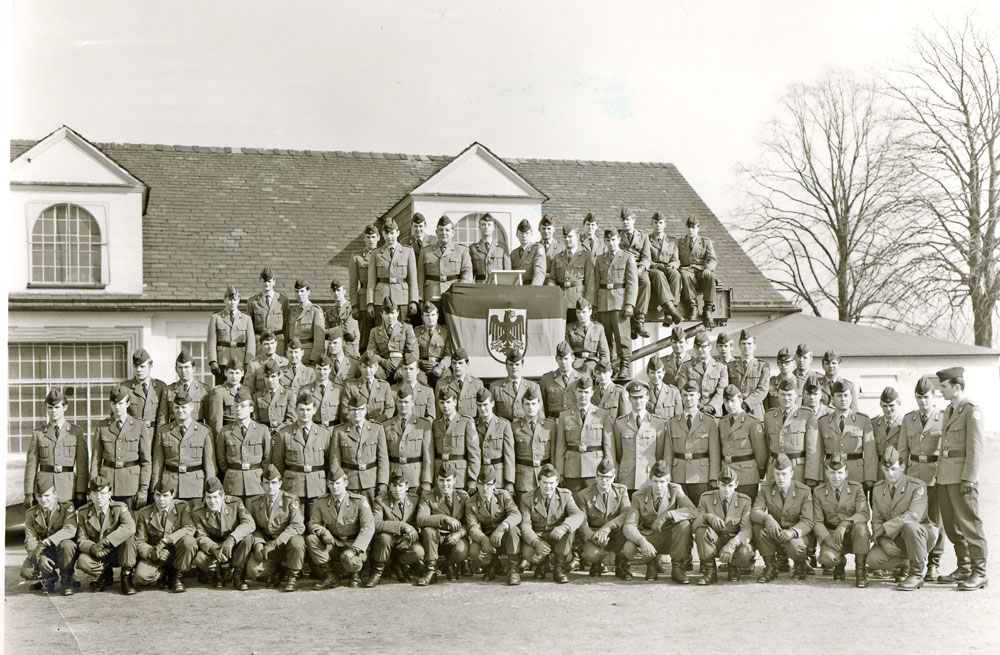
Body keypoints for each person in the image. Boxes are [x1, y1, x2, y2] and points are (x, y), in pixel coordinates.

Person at [934, 366, 988, 591]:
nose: (940, 390)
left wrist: (969, 479)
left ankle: (980, 572)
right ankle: (964, 567)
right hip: (945, 477)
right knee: (952, 526)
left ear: (957, 386)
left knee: (970, 524)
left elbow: (976, 448)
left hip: (962, 479)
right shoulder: (949, 410)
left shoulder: (971, 410)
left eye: (944, 386)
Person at [867, 446, 937, 591]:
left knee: (910, 526)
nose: (890, 474)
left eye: (894, 469)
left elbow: (912, 517)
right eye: (886, 470)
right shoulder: (878, 488)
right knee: (873, 559)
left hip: (920, 537)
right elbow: (876, 519)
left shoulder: (917, 486)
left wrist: (883, 531)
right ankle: (905, 563)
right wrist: (882, 541)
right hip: (894, 538)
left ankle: (916, 574)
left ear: (902, 467)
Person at [897, 378, 945, 580]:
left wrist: (941, 474)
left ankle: (934, 563)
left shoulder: (943, 417)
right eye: (919, 397)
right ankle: (911, 561)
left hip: (934, 474)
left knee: (935, 519)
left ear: (933, 397)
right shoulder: (909, 419)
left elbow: (944, 450)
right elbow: (902, 450)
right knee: (912, 517)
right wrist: (902, 478)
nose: (922, 401)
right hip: (913, 475)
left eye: (926, 397)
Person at [621, 460, 696, 584]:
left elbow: (693, 510)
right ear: (650, 480)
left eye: (662, 482)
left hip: (669, 536)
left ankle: (678, 568)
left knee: (684, 524)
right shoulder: (639, 496)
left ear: (668, 481)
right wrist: (642, 541)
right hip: (650, 537)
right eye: (655, 481)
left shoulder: (675, 490)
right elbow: (629, 526)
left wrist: (668, 515)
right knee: (629, 548)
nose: (658, 486)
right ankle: (651, 562)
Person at [306, 467, 374, 589]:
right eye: (331, 483)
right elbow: (313, 524)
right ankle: (330, 575)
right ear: (327, 484)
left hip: (354, 543)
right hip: (334, 542)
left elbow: (368, 528)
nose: (335, 487)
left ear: (346, 483)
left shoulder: (359, 501)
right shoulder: (320, 502)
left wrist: (354, 550)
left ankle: (355, 575)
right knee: (311, 539)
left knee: (352, 562)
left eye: (338, 483)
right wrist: (323, 531)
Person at [752, 454, 814, 582]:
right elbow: (755, 511)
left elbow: (808, 521)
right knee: (758, 528)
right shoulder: (766, 488)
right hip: (776, 531)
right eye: (777, 474)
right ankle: (770, 566)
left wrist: (792, 532)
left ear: (791, 473)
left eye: (784, 474)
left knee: (795, 545)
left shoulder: (803, 491)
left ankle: (800, 565)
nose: (780, 478)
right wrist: (767, 518)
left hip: (795, 535)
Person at [812, 454, 871, 587]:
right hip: (832, 535)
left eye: (840, 472)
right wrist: (827, 539)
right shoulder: (819, 492)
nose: (836, 476)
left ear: (846, 473)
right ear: (826, 473)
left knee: (861, 529)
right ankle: (839, 563)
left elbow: (863, 514)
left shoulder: (856, 488)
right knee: (826, 559)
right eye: (832, 473)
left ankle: (860, 570)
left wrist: (845, 523)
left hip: (852, 534)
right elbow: (817, 521)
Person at [519, 464, 585, 584]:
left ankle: (558, 569)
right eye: (544, 482)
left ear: (557, 483)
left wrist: (563, 527)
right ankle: (542, 564)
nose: (548, 486)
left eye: (551, 483)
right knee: (529, 554)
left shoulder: (565, 495)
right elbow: (525, 526)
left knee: (570, 528)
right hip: (539, 536)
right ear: (539, 482)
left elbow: (578, 515)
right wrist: (536, 542)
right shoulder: (527, 498)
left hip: (557, 536)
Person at [244, 465, 306, 592]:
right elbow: (254, 528)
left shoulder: (290, 500)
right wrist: (259, 544)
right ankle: (278, 570)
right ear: (261, 485)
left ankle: (293, 576)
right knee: (252, 570)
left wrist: (276, 543)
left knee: (298, 542)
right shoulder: (255, 503)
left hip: (286, 544)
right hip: (267, 545)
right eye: (267, 483)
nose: (270, 486)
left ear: (280, 484)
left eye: (273, 483)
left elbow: (297, 525)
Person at [91, 385, 152, 512]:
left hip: (131, 485)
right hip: (107, 484)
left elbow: (146, 461)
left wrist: (143, 489)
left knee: (131, 521)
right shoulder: (102, 427)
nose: (117, 407)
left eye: (120, 403)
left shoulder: (139, 425)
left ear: (128, 404)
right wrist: (94, 485)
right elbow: (95, 460)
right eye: (114, 404)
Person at [25, 388, 88, 509]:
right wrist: (28, 493)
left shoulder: (76, 432)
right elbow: (31, 465)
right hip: (44, 488)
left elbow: (82, 465)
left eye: (57, 407)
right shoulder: (38, 433)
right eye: (50, 407)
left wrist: (81, 491)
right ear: (46, 408)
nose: (53, 411)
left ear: (65, 407)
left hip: (68, 487)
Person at [272, 391, 335, 512]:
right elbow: (278, 463)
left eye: (308, 409)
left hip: (317, 486)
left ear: (314, 410)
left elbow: (329, 462)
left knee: (316, 521)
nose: (305, 413)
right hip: (293, 487)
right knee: (295, 521)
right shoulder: (284, 434)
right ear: (296, 410)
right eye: (301, 409)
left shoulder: (324, 433)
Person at [74, 475, 138, 594]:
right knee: (83, 561)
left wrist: (107, 541)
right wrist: (92, 548)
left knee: (130, 538)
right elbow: (81, 538)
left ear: (110, 493)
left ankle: (126, 577)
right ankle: (104, 575)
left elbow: (130, 527)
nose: (99, 497)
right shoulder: (83, 512)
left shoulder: (119, 507)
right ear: (90, 495)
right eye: (95, 494)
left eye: (103, 493)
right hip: (98, 553)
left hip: (117, 552)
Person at [191, 476, 256, 590]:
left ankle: (238, 574)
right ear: (204, 497)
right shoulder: (198, 512)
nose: (212, 501)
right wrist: (214, 548)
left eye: (215, 497)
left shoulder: (235, 503)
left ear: (223, 496)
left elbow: (249, 523)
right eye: (208, 497)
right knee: (199, 558)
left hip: (233, 547)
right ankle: (216, 573)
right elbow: (201, 536)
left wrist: (232, 538)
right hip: (214, 549)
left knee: (248, 538)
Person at [692, 465, 754, 584]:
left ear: (736, 485)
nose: (727, 490)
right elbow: (694, 526)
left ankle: (734, 568)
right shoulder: (706, 498)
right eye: (723, 485)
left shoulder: (744, 501)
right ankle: (710, 571)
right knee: (701, 531)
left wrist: (731, 545)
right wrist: (706, 517)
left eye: (730, 486)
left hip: (734, 542)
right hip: (716, 541)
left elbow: (746, 530)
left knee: (745, 551)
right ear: (718, 484)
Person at [150, 390, 216, 501]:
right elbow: (158, 464)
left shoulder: (204, 431)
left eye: (183, 407)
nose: (180, 410)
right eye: (177, 407)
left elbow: (210, 465)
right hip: (170, 487)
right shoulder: (164, 431)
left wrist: (210, 490)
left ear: (191, 407)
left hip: (195, 487)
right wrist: (154, 488)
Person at [133, 480, 197, 593]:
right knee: (141, 577)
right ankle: (163, 575)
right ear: (154, 495)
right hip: (158, 554)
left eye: (165, 495)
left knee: (189, 542)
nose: (161, 499)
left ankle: (178, 577)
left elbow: (189, 528)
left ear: (172, 495)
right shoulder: (144, 513)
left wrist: (166, 540)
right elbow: (140, 541)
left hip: (176, 552)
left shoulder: (182, 507)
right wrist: (152, 552)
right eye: (158, 495)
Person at [553, 375, 613, 492]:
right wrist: (560, 471)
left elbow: (608, 447)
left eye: (586, 392)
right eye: (580, 391)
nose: (583, 395)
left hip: (595, 468)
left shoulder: (602, 414)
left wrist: (609, 468)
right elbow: (560, 447)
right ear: (575, 392)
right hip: (572, 469)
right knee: (574, 500)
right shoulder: (565, 415)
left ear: (592, 392)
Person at [591, 228, 637, 378]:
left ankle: (624, 366)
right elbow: (596, 283)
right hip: (603, 302)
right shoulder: (599, 259)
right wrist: (595, 305)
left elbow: (632, 283)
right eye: (608, 240)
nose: (611, 243)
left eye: (613, 240)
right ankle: (608, 366)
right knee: (605, 337)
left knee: (622, 336)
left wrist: (629, 304)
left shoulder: (627, 258)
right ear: (604, 242)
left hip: (619, 302)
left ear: (619, 240)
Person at [415, 463, 472, 585]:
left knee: (462, 550)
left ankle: (448, 564)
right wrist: (444, 518)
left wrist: (459, 534)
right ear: (436, 480)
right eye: (441, 480)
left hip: (454, 538)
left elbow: (468, 522)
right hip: (435, 539)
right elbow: (420, 519)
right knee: (428, 531)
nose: (445, 484)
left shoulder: (463, 496)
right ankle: (430, 570)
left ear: (454, 480)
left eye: (448, 480)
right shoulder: (427, 496)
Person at [575, 457, 631, 578]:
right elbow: (582, 522)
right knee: (591, 554)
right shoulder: (584, 495)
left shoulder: (621, 491)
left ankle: (621, 565)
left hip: (615, 532)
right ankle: (596, 564)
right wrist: (593, 537)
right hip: (594, 533)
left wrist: (607, 527)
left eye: (607, 477)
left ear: (613, 477)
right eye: (601, 477)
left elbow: (626, 513)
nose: (604, 481)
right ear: (596, 477)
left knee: (627, 531)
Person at [21, 479, 78, 596]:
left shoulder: (66, 507)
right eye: (39, 496)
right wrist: (40, 558)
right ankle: (49, 577)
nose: (43, 499)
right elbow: (30, 540)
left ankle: (67, 581)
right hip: (44, 552)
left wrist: (46, 542)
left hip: (62, 551)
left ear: (55, 494)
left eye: (47, 495)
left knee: (67, 545)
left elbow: (70, 529)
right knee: (26, 572)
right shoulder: (31, 513)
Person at [465, 468, 522, 585]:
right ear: (477, 485)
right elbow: (472, 527)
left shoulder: (503, 495)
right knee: (475, 551)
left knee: (514, 530)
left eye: (489, 485)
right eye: (481, 484)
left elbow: (516, 514)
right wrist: (483, 539)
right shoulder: (471, 503)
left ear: (494, 485)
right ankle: (493, 564)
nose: (485, 488)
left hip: (504, 536)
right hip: (487, 537)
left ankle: (513, 569)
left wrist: (502, 528)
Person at [666, 381, 720, 503]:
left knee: (701, 510)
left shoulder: (709, 421)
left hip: (701, 475)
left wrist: (713, 477)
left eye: (691, 395)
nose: (688, 399)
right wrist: (667, 477)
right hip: (679, 475)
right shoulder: (672, 422)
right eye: (685, 395)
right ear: (681, 396)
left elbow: (714, 453)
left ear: (698, 396)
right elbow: (668, 454)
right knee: (680, 511)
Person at [332, 391, 390, 505]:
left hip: (371, 482)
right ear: (348, 411)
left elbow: (383, 459)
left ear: (365, 410)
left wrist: (382, 483)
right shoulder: (339, 431)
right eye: (353, 410)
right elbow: (335, 461)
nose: (356, 413)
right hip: (350, 483)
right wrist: (340, 484)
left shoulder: (376, 428)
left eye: (360, 409)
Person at [368, 472, 425, 586]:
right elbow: (376, 523)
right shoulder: (380, 500)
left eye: (400, 486)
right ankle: (377, 572)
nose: (397, 490)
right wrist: (402, 526)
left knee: (418, 551)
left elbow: (419, 522)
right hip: (388, 539)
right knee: (384, 538)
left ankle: (399, 564)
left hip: (406, 540)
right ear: (389, 487)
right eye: (394, 486)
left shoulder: (414, 500)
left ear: (407, 487)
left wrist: (410, 535)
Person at [817, 380, 876, 490]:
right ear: (832, 398)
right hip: (831, 473)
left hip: (856, 475)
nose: (843, 399)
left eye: (846, 395)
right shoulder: (823, 422)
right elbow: (818, 454)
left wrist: (870, 477)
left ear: (851, 397)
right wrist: (819, 477)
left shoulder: (863, 420)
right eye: (839, 396)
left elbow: (870, 453)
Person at [215, 387, 271, 501]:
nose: (238, 409)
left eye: (243, 406)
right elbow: (221, 460)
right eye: (236, 406)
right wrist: (232, 472)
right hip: (233, 483)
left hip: (256, 483)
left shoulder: (262, 430)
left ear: (251, 408)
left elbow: (267, 458)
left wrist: (259, 474)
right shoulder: (225, 432)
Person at [762, 379, 821, 485]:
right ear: (777, 394)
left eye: (789, 395)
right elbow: (767, 445)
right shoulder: (769, 416)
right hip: (775, 469)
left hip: (797, 471)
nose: (786, 398)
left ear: (796, 395)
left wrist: (811, 476)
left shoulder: (806, 415)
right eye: (783, 394)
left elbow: (812, 449)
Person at [615, 381, 668, 495]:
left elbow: (659, 453)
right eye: (634, 398)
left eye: (641, 397)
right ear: (629, 399)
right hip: (627, 477)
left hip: (648, 477)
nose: (638, 401)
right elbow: (619, 453)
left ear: (647, 398)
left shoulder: (657, 422)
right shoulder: (620, 423)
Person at [718, 385, 767, 503]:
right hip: (727, 476)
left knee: (746, 509)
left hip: (746, 476)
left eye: (732, 401)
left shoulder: (752, 422)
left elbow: (761, 454)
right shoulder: (722, 422)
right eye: (726, 401)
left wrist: (758, 473)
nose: (729, 405)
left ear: (740, 400)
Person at [383, 384, 433, 494]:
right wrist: (383, 482)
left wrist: (426, 481)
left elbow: (428, 457)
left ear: (412, 403)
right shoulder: (386, 426)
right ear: (396, 403)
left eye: (406, 402)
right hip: (393, 478)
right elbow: (383, 458)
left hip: (415, 479)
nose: (403, 405)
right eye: (400, 402)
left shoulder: (423, 425)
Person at [367, 217, 419, 320]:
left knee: (402, 327)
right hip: (381, 298)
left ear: (398, 233)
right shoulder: (376, 253)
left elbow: (413, 280)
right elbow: (371, 281)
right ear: (382, 234)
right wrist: (370, 303)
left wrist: (413, 301)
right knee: (382, 328)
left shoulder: (408, 251)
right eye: (386, 233)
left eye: (392, 233)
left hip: (402, 299)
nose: (389, 237)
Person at [618, 208, 658, 339]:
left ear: (633, 220)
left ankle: (639, 320)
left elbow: (646, 258)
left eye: (628, 219)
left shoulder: (643, 236)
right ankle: (627, 320)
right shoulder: (617, 235)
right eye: (623, 220)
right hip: (622, 268)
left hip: (638, 268)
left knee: (645, 282)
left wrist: (640, 270)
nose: (625, 222)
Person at [431, 388, 481, 492]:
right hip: (440, 474)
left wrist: (472, 478)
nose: (445, 406)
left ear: (455, 402)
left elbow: (474, 453)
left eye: (448, 402)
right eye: (442, 403)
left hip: (459, 476)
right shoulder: (435, 424)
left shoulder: (466, 422)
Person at [511, 386, 556, 503]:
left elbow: (555, 454)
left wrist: (555, 475)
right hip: (523, 478)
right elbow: (511, 457)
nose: (530, 407)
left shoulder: (550, 426)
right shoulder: (514, 427)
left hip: (545, 476)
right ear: (522, 405)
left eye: (533, 404)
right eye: (527, 404)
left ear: (539, 405)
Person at [417, 215, 473, 304]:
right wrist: (420, 299)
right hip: (431, 295)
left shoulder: (462, 250)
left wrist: (459, 292)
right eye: (441, 230)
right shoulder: (425, 251)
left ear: (453, 232)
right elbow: (420, 278)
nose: (444, 233)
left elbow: (467, 274)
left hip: (454, 295)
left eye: (447, 230)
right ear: (436, 232)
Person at [207, 284, 256, 385]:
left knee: (241, 390)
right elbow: (211, 342)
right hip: (222, 362)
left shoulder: (246, 319)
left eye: (234, 300)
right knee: (222, 389)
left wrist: (248, 362)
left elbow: (251, 343)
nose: (232, 302)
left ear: (238, 300)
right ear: (224, 300)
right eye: (229, 300)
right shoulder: (216, 318)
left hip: (240, 362)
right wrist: (213, 361)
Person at [677, 215, 718, 328]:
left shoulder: (705, 242)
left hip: (701, 271)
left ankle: (707, 309)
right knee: (683, 275)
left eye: (693, 227)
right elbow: (676, 259)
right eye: (688, 227)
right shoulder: (680, 243)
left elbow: (712, 259)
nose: (691, 230)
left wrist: (708, 268)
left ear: (698, 228)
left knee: (711, 276)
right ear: (685, 227)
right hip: (688, 271)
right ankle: (693, 306)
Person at [676, 331, 728, 417]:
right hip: (693, 410)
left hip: (714, 412)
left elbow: (721, 391)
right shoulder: (686, 366)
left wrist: (711, 407)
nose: (699, 350)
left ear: (710, 347)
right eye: (696, 347)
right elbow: (683, 389)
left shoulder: (721, 367)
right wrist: (698, 406)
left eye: (703, 347)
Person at [366, 298, 418, 382]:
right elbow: (371, 353)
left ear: (398, 313)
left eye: (393, 313)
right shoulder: (374, 331)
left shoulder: (407, 328)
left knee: (406, 377)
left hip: (401, 365)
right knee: (374, 374)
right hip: (382, 366)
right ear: (382, 314)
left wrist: (402, 368)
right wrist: (382, 361)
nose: (390, 316)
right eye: (386, 313)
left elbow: (413, 352)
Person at [546, 227, 592, 322]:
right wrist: (552, 295)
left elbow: (590, 281)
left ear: (577, 237)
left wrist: (587, 302)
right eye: (565, 237)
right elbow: (552, 279)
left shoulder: (586, 256)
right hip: (561, 300)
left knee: (576, 329)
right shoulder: (558, 257)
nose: (567, 239)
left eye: (570, 236)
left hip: (578, 300)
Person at [475, 388, 516, 493]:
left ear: (492, 404)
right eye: (479, 405)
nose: (482, 408)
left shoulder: (503, 425)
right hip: (479, 474)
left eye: (485, 405)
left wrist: (509, 481)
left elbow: (509, 456)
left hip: (498, 476)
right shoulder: (473, 425)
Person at [647, 211, 684, 326]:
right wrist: (658, 266)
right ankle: (672, 310)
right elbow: (647, 259)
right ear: (652, 224)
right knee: (659, 274)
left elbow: (676, 260)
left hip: (668, 269)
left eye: (660, 223)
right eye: (655, 223)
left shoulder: (672, 241)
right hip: (654, 270)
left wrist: (672, 265)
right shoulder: (646, 240)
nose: (658, 225)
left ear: (665, 225)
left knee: (676, 274)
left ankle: (669, 314)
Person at [158, 351, 211, 427]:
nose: (183, 371)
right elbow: (162, 419)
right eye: (180, 367)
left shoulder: (204, 390)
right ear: (176, 369)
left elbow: (209, 419)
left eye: (186, 367)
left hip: (196, 430)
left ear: (193, 369)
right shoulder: (168, 390)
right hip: (174, 430)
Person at [490, 348, 544, 422]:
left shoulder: (534, 386)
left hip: (525, 427)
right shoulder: (495, 387)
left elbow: (540, 414)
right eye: (511, 364)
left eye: (517, 364)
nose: (514, 367)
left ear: (522, 365)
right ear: (506, 366)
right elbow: (492, 414)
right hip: (504, 427)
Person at [122, 348, 166, 439]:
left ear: (150, 367)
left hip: (154, 437)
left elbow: (163, 418)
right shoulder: (125, 388)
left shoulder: (161, 387)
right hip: (133, 438)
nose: (138, 370)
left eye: (142, 366)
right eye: (135, 366)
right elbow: (117, 418)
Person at [342, 351, 396, 423]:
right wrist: (361, 423)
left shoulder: (384, 386)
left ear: (376, 367)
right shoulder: (351, 386)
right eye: (364, 367)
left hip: (379, 426)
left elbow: (390, 408)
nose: (367, 370)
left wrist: (376, 423)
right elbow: (345, 410)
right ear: (360, 367)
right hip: (357, 426)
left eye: (371, 367)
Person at [350, 224, 380, 351]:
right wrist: (354, 305)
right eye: (368, 237)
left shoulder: (383, 254)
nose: (371, 240)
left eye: (373, 237)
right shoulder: (357, 257)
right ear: (364, 238)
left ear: (378, 237)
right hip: (363, 301)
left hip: (380, 298)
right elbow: (353, 284)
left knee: (380, 335)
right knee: (365, 337)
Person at [206, 359, 253, 438]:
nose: (234, 377)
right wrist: (219, 440)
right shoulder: (219, 392)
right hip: (228, 435)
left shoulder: (247, 390)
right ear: (225, 373)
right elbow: (216, 423)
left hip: (246, 434)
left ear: (242, 373)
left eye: (237, 373)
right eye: (231, 373)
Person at [252, 360, 296, 445]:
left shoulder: (288, 394)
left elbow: (292, 419)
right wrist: (265, 432)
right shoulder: (257, 396)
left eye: (273, 376)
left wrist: (277, 431)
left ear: (279, 375)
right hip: (263, 437)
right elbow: (255, 420)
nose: (270, 380)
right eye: (267, 376)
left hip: (282, 436)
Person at [247, 267, 289, 356]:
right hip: (260, 342)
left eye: (269, 281)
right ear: (260, 281)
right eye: (264, 281)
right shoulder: (252, 302)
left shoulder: (283, 301)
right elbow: (249, 327)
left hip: (278, 342)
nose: (267, 284)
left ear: (274, 282)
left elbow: (287, 325)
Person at [413, 301, 454, 388]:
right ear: (422, 317)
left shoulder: (445, 332)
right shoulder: (416, 332)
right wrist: (419, 363)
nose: (430, 318)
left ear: (437, 315)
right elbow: (412, 353)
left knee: (445, 380)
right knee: (419, 381)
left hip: (439, 365)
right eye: (427, 315)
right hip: (422, 368)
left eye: (433, 315)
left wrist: (441, 366)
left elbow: (448, 355)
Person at [730, 330, 769, 420]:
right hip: (735, 409)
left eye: (749, 343)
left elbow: (763, 389)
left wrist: (747, 403)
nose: (746, 346)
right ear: (739, 346)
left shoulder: (762, 366)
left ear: (755, 346)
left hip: (755, 409)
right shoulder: (731, 366)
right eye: (743, 343)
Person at [435, 347, 484, 419]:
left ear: (467, 364)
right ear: (451, 364)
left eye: (460, 363)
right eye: (454, 363)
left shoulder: (477, 384)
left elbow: (481, 414)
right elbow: (438, 414)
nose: (457, 366)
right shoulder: (442, 384)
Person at [565, 297, 610, 375]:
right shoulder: (569, 329)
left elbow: (604, 352)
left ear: (590, 312)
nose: (581, 315)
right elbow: (567, 351)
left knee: (588, 368)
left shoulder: (598, 328)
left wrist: (603, 368)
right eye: (578, 312)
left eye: (584, 312)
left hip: (593, 362)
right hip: (575, 362)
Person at [539, 342, 582, 420]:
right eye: (560, 359)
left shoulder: (581, 378)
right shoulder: (546, 380)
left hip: (574, 420)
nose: (563, 362)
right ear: (556, 359)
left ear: (573, 358)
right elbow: (542, 406)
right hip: (554, 421)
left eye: (566, 358)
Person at [287, 280, 325, 366]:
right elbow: (288, 336)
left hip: (307, 356)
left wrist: (314, 359)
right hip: (292, 356)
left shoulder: (315, 311)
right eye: (297, 291)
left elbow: (319, 339)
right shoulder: (292, 311)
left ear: (308, 292)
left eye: (302, 291)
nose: (299, 294)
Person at [394, 352, 436, 421]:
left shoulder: (427, 391)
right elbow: (390, 417)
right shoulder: (393, 390)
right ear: (401, 370)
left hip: (420, 426)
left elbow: (431, 417)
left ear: (417, 371)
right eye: (405, 369)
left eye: (411, 369)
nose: (408, 372)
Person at [303, 355, 342, 429]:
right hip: (314, 430)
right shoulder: (305, 390)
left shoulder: (338, 390)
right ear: (314, 369)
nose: (321, 372)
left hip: (333, 429)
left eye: (324, 369)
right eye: (319, 369)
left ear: (330, 369)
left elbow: (343, 417)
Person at [245, 330, 290, 395]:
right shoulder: (254, 365)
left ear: (276, 343)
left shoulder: (285, 363)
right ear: (261, 345)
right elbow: (248, 390)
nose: (270, 347)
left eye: (272, 343)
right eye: (266, 344)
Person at [469, 212, 510, 283]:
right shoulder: (473, 249)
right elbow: (470, 274)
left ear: (493, 227)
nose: (486, 227)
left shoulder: (502, 248)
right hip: (480, 286)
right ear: (479, 227)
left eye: (489, 224)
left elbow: (508, 273)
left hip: (498, 285)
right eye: (483, 224)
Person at [325, 280, 361, 357]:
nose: (336, 293)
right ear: (331, 293)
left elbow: (347, 328)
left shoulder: (352, 309)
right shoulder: (329, 312)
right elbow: (325, 334)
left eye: (338, 290)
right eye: (334, 291)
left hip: (349, 349)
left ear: (344, 292)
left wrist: (328, 331)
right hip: (334, 350)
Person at [872, 386, 904, 472]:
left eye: (891, 405)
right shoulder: (874, 424)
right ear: (880, 405)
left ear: (899, 403)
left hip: (897, 470)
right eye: (885, 406)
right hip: (879, 470)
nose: (888, 409)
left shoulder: (905, 424)